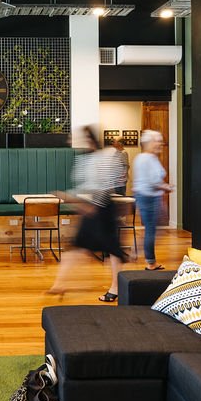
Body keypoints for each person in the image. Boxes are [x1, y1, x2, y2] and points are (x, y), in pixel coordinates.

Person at [47, 126, 128, 303]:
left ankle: (115, 288)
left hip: (103, 210)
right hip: (93, 209)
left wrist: (82, 203)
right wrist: (74, 199)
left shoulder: (105, 157)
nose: (71, 141)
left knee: (112, 250)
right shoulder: (84, 160)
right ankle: (59, 284)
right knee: (78, 246)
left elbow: (107, 186)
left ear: (89, 140)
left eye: (75, 138)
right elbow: (85, 187)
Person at [132, 129, 174, 270]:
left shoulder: (149, 158)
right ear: (149, 143)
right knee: (152, 230)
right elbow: (152, 181)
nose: (160, 144)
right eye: (158, 141)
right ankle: (150, 262)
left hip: (150, 197)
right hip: (149, 198)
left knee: (154, 229)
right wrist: (166, 187)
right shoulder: (146, 159)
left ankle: (138, 249)